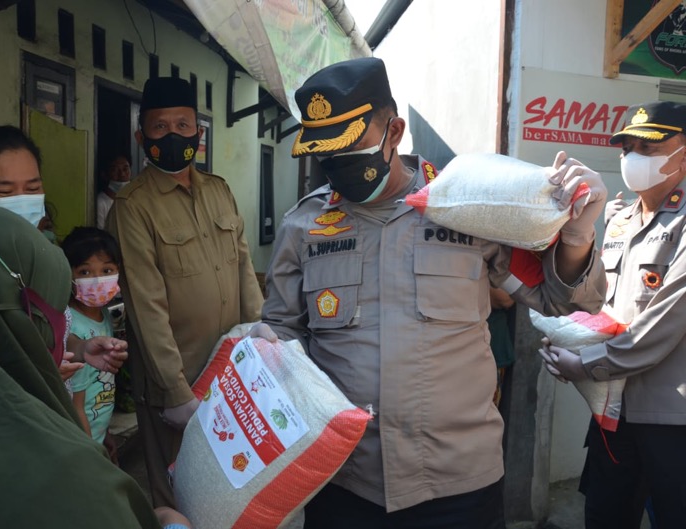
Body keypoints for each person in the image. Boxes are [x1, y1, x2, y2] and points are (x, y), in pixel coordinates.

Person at [252, 57, 607, 528]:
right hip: (345, 479)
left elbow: (560, 302)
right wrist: (264, 348)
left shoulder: (467, 207)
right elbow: (283, 329)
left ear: (394, 132)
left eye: (349, 145)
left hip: (457, 483)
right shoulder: (304, 226)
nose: (336, 163)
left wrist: (578, 236)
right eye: (324, 151)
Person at [0, 205, 190, 529]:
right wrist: (169, 521)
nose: (62, 330)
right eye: (55, 312)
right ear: (17, 322)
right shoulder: (65, 479)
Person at [107, 76, 263, 508]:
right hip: (179, 383)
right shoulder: (133, 207)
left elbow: (244, 269)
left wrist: (261, 335)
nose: (174, 135)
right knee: (181, 495)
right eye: (160, 128)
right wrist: (176, 392)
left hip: (234, 374)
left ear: (199, 132)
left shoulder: (219, 190)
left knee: (237, 484)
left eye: (183, 124)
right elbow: (145, 306)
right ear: (142, 137)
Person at [539, 101, 686, 528]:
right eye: (628, 148)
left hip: (671, 418)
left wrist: (585, 363)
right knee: (605, 514)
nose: (633, 157)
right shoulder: (621, 218)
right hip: (612, 408)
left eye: (649, 147)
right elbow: (595, 302)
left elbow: (664, 324)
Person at [0, 125, 127, 379]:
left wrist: (80, 349)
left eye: (33, 189)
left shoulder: (49, 262)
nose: (22, 201)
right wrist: (35, 375)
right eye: (5, 192)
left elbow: (45, 338)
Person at [61, 227, 121, 449]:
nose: (97, 281)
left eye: (107, 270)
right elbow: (77, 407)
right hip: (83, 444)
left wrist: (104, 434)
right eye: (85, 273)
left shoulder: (103, 314)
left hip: (97, 432)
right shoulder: (73, 327)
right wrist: (94, 454)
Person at [96, 152, 132, 229]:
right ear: (104, 175)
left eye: (125, 169)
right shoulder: (101, 203)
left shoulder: (134, 200)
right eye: (115, 170)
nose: (122, 174)